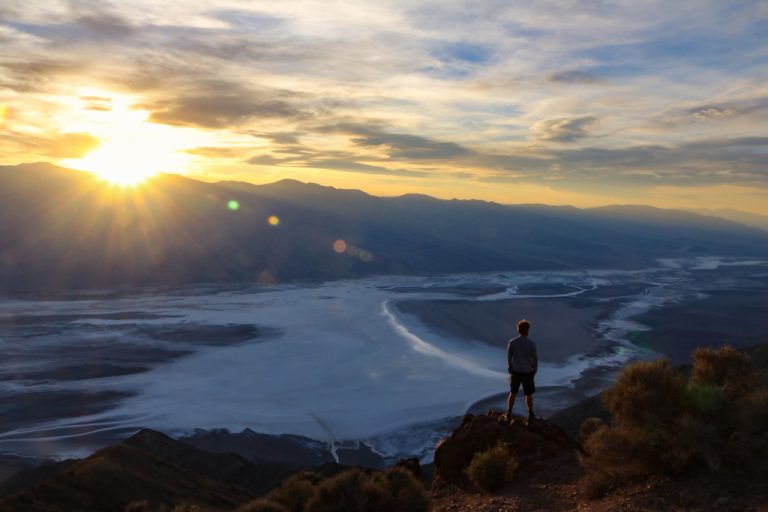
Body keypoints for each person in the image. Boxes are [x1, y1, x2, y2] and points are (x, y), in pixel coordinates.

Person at [506, 319, 538, 423]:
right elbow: (535, 360)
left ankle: (509, 413)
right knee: (528, 394)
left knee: (513, 393)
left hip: (516, 371)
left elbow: (509, 358)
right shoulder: (531, 344)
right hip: (527, 372)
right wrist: (534, 372)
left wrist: (510, 371)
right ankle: (530, 414)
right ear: (527, 330)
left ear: (518, 329)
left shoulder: (512, 342)